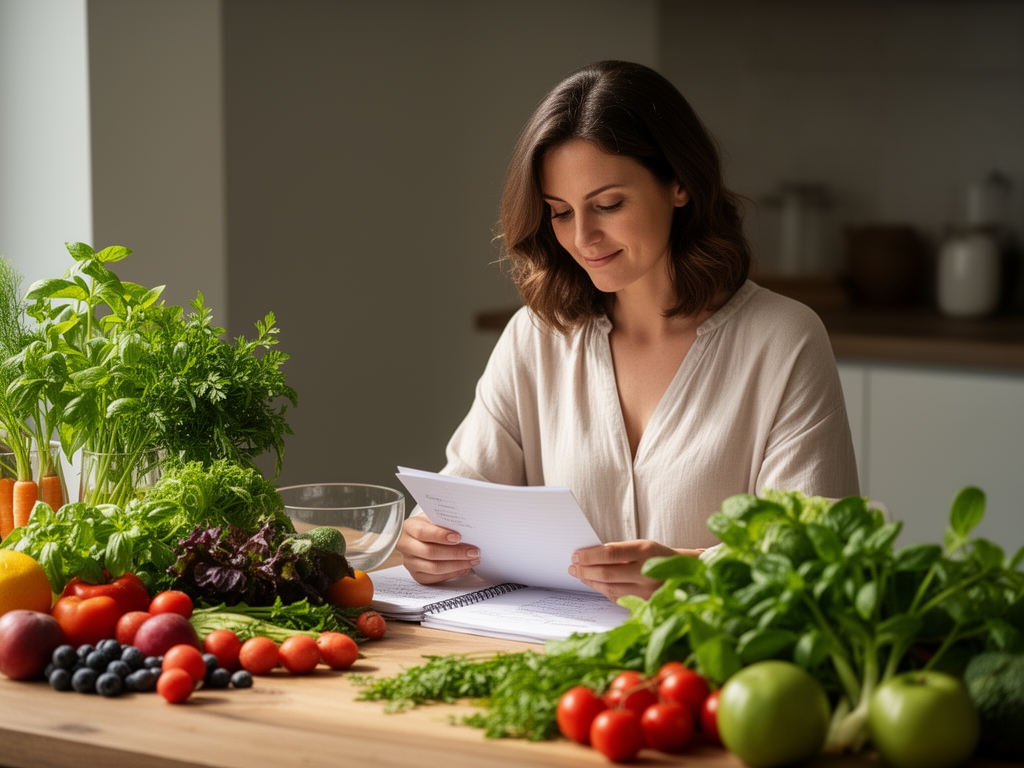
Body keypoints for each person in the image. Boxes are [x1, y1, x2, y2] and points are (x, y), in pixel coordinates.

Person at [397, 60, 859, 601]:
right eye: (560, 212)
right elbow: (460, 500)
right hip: (555, 663)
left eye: (608, 204)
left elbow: (818, 551)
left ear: (680, 183)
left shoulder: (784, 340)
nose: (583, 237)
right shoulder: (535, 337)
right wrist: (430, 542)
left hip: (714, 669)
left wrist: (691, 572)